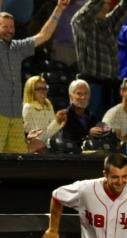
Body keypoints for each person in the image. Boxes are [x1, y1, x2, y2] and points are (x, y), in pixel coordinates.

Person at [0, 0, 69, 153]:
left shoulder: (17, 48)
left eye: (11, 27)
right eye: (5, 27)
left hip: (15, 117)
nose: (10, 30)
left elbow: (44, 35)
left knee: (20, 161)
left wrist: (58, 9)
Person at [72, 0, 127, 119]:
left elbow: (125, 7)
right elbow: (86, 12)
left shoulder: (107, 24)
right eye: (104, 1)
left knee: (110, 127)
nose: (108, 3)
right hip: (92, 86)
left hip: (111, 86)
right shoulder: (82, 23)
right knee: (92, 124)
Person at [22, 75, 67, 147]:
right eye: (39, 89)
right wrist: (57, 122)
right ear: (30, 91)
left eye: (45, 88)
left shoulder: (48, 105)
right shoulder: (28, 108)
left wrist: (60, 124)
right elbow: (37, 139)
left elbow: (53, 134)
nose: (43, 91)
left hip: (51, 147)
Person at [62, 79, 102, 146]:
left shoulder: (92, 117)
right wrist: (88, 135)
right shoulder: (65, 117)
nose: (83, 97)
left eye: (86, 93)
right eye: (79, 93)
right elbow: (69, 141)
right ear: (71, 96)